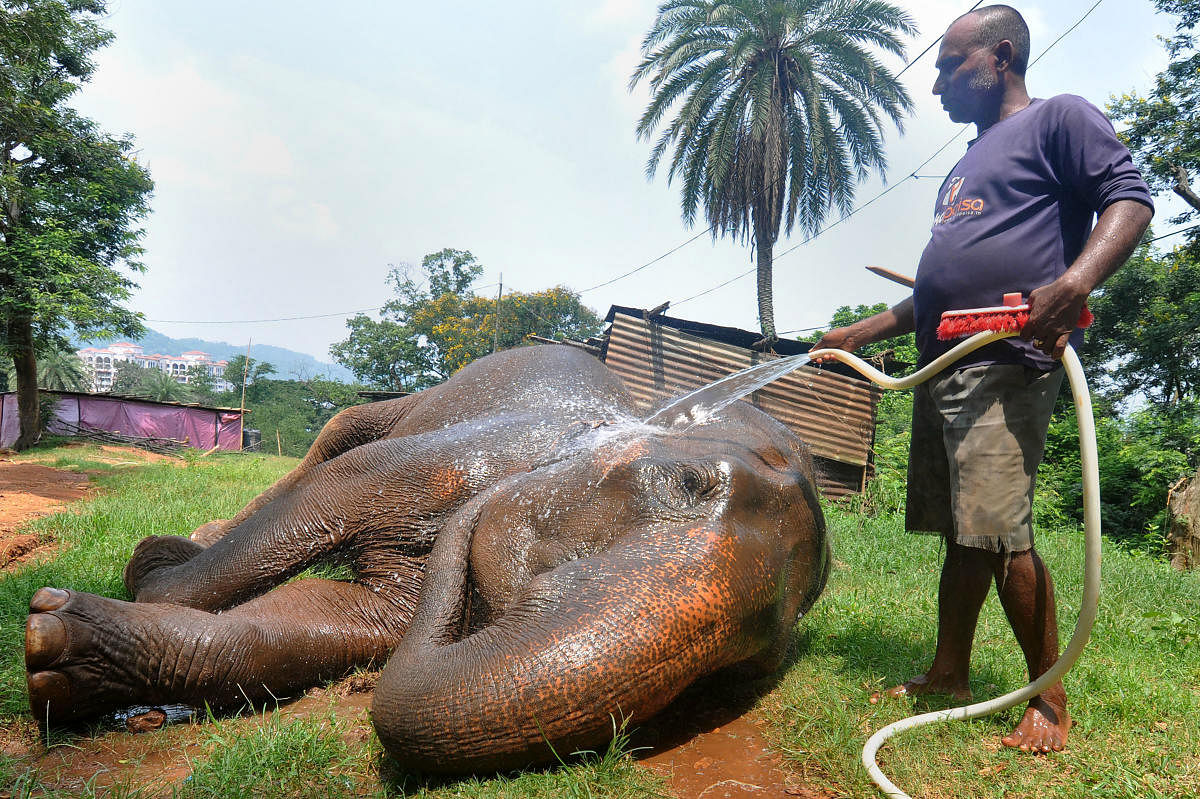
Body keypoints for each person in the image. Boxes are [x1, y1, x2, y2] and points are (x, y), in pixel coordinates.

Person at [812, 5, 1153, 753]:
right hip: (947, 364)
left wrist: (1072, 284)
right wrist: (858, 334)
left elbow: (1129, 199)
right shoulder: (967, 162)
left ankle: (1049, 697)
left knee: (999, 534)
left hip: (1006, 360)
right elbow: (935, 290)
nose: (935, 82)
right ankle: (949, 671)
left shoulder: (1057, 119)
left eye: (947, 64)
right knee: (966, 537)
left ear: (999, 57)